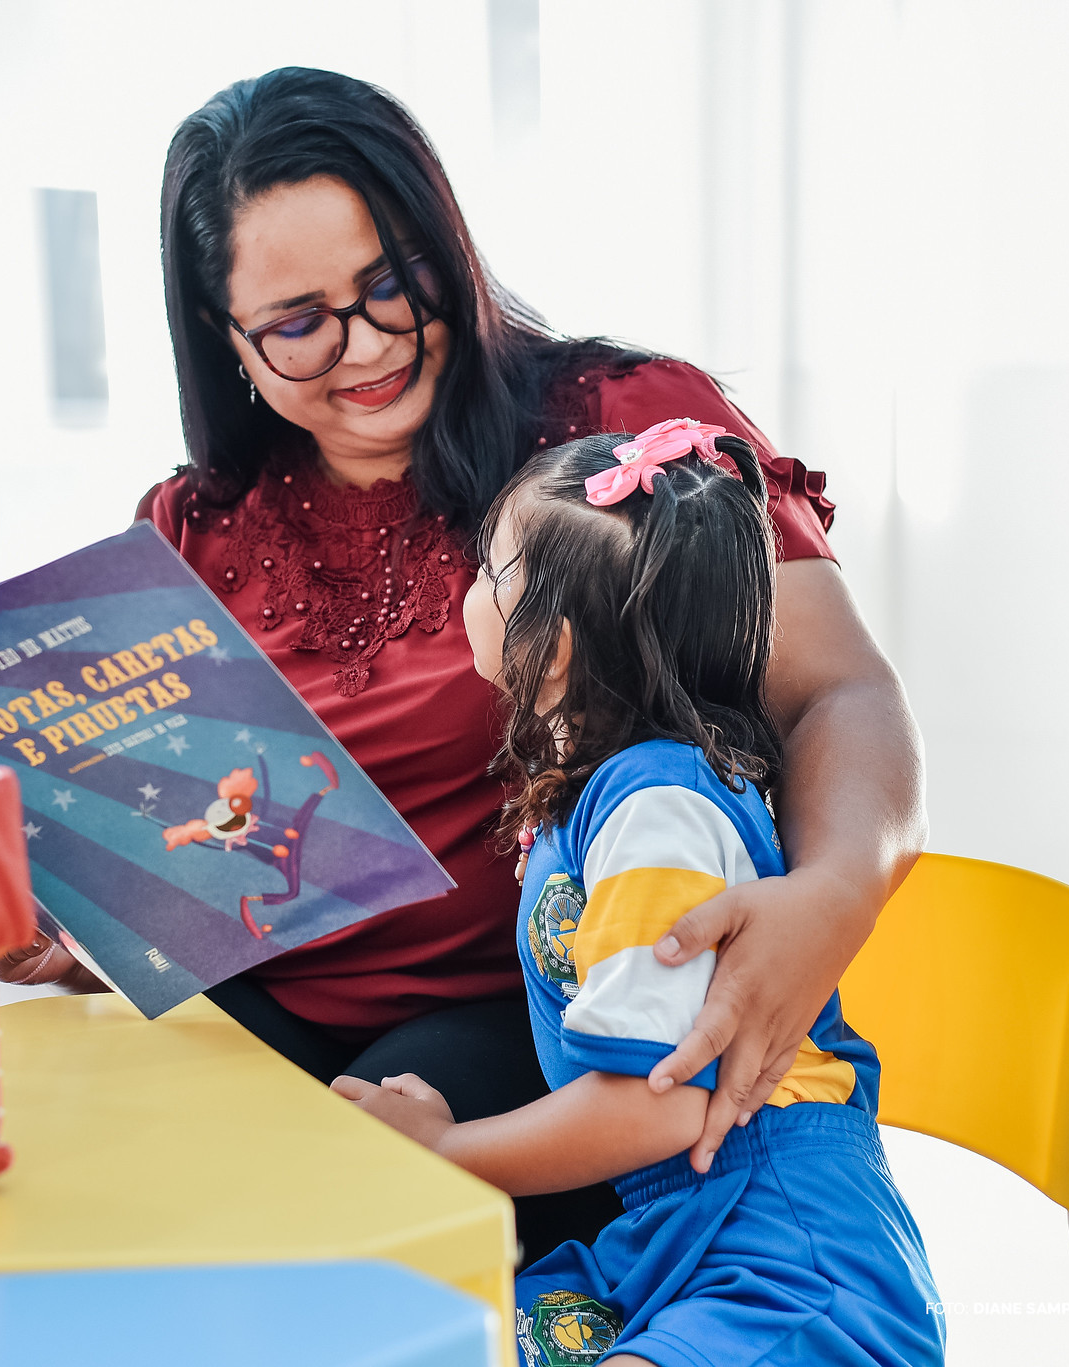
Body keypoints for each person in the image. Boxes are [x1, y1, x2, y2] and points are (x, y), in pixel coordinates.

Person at [0, 67, 925, 1264]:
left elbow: (841, 690)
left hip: (540, 1023)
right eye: (298, 323)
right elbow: (204, 856)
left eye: (394, 281)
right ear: (227, 341)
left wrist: (836, 891)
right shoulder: (190, 529)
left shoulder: (618, 437)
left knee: (315, 1218)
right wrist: (83, 931)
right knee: (60, 1171)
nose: (368, 343)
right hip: (271, 1006)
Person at [334, 425, 941, 1367]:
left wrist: (447, 1149)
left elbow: (658, 1105)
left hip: (788, 1256)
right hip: (675, 1234)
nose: (469, 585)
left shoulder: (655, 812)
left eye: (491, 570)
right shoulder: (619, 791)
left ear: (554, 647)